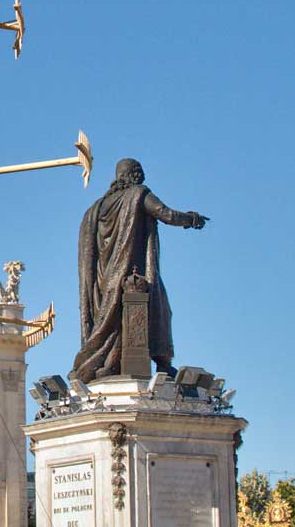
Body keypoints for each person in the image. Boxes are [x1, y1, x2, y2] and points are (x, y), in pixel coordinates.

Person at [72, 157, 207, 383]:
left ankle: (110, 363)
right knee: (159, 309)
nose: (142, 176)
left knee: (115, 321)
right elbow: (166, 214)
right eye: (139, 172)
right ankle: (161, 363)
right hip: (131, 271)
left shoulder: (96, 208)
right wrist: (191, 219)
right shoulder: (138, 194)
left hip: (105, 279)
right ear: (133, 174)